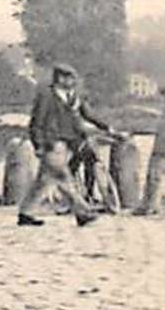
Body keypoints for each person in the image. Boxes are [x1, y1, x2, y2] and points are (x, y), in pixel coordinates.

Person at [17, 63, 108, 227]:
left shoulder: (74, 96)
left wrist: (106, 127)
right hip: (52, 143)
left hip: (68, 142)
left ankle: (26, 213)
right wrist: (38, 145)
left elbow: (88, 114)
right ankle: (83, 212)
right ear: (59, 78)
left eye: (72, 78)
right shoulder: (47, 95)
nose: (71, 81)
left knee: (44, 181)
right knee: (63, 176)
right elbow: (36, 121)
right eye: (67, 77)